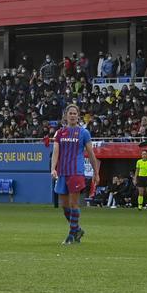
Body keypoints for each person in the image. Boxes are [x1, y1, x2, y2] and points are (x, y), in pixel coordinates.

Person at [50, 104, 99, 245]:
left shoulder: (84, 133)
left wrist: (96, 172)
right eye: (70, 113)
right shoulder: (60, 133)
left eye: (74, 113)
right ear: (66, 115)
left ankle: (71, 236)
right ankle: (77, 229)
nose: (72, 115)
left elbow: (90, 153)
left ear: (78, 116)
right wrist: (53, 168)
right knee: (64, 205)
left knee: (73, 203)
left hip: (76, 172)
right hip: (62, 172)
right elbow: (56, 151)